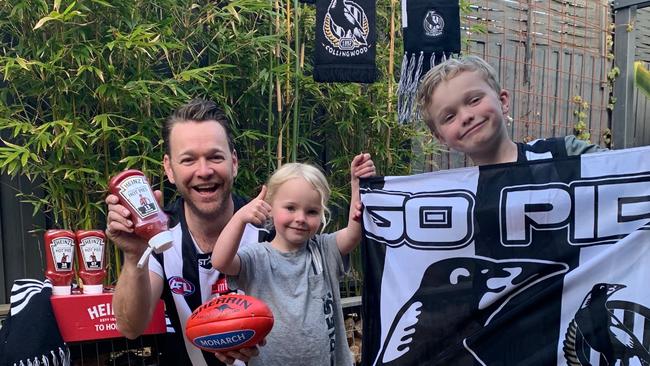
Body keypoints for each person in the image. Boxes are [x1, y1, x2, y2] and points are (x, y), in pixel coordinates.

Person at [106, 99, 268, 366]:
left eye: (215, 157)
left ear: (234, 162)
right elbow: (129, 326)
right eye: (189, 160)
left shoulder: (268, 229)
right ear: (169, 169)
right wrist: (134, 254)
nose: (203, 171)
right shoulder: (161, 233)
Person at [211, 155, 376, 366]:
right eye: (290, 208)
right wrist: (240, 217)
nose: (300, 218)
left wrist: (357, 184)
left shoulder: (324, 250)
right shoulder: (258, 257)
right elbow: (220, 261)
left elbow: (354, 233)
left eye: (312, 211)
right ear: (270, 207)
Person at [415, 55, 606, 166]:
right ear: (440, 137)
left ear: (502, 101)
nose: (466, 116)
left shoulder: (566, 154)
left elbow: (631, 172)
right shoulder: (449, 198)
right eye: (449, 117)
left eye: (474, 100)